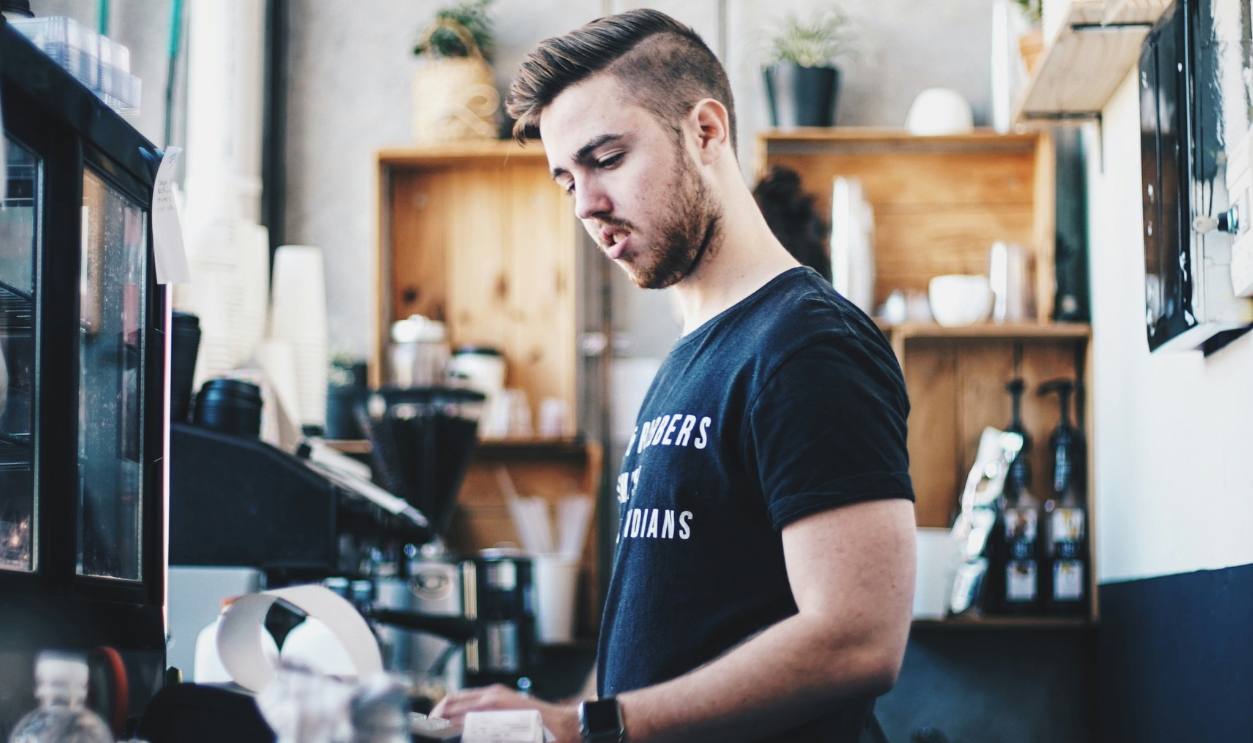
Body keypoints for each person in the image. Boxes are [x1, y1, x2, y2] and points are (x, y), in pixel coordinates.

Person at [432, 10, 916, 743]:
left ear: (706, 132)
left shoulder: (805, 344)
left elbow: (856, 640)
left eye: (606, 157)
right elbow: (656, 638)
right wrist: (556, 718)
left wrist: (592, 724)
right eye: (566, 180)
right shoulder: (689, 358)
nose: (586, 206)